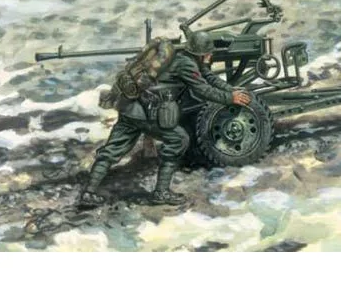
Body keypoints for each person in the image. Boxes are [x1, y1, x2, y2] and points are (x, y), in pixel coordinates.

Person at [79, 31, 251, 206]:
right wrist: (229, 98)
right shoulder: (186, 65)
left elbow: (208, 77)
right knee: (179, 139)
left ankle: (88, 192)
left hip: (130, 108)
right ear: (202, 54)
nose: (210, 56)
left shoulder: (180, 59)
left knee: (112, 149)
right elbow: (202, 89)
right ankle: (161, 192)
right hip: (149, 113)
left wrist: (230, 90)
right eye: (208, 53)